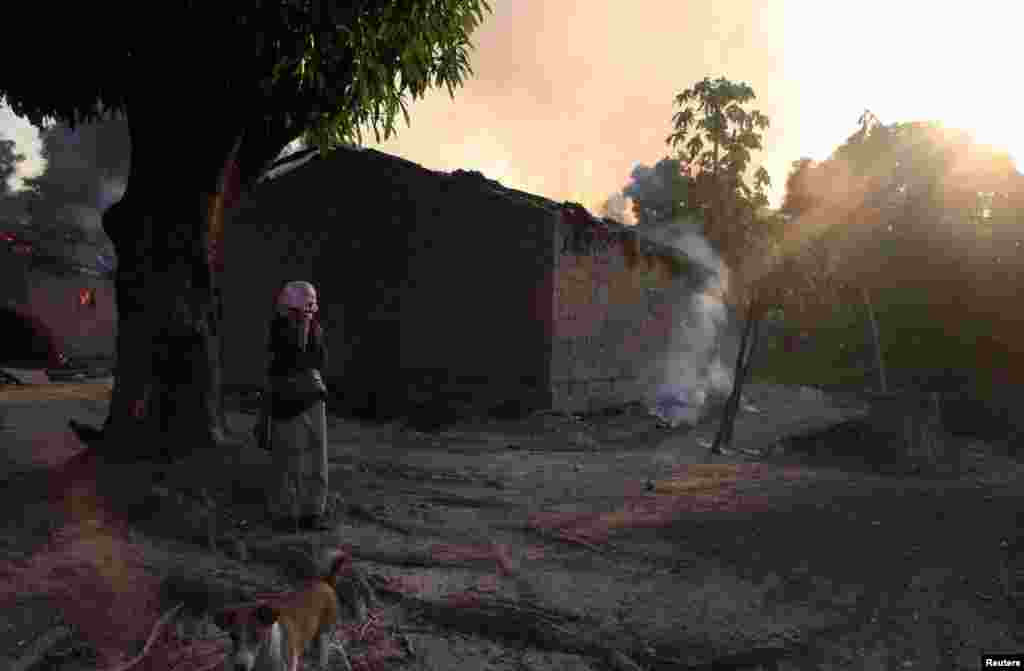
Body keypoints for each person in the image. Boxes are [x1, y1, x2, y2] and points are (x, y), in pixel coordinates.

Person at [263, 280, 331, 531]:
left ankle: (311, 513)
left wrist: (307, 326)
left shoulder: (314, 329)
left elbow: (316, 360)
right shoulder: (280, 329)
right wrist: (300, 327)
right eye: (305, 306)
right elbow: (288, 360)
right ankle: (285, 515)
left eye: (312, 306)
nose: (310, 311)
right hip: (287, 400)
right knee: (287, 460)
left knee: (315, 459)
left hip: (311, 398)